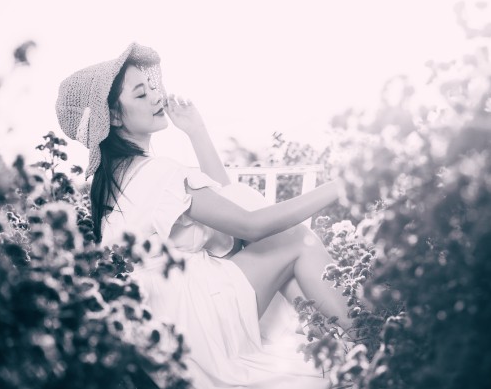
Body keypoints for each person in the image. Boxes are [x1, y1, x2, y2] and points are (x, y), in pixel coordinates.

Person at [55, 43, 352, 389]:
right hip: (197, 320)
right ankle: (366, 343)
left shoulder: (116, 181)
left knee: (286, 265)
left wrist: (196, 131)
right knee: (296, 239)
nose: (156, 96)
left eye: (152, 86)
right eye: (141, 94)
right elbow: (251, 225)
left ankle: (342, 349)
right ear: (115, 117)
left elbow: (230, 204)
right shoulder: (155, 173)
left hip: (169, 325)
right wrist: (339, 185)